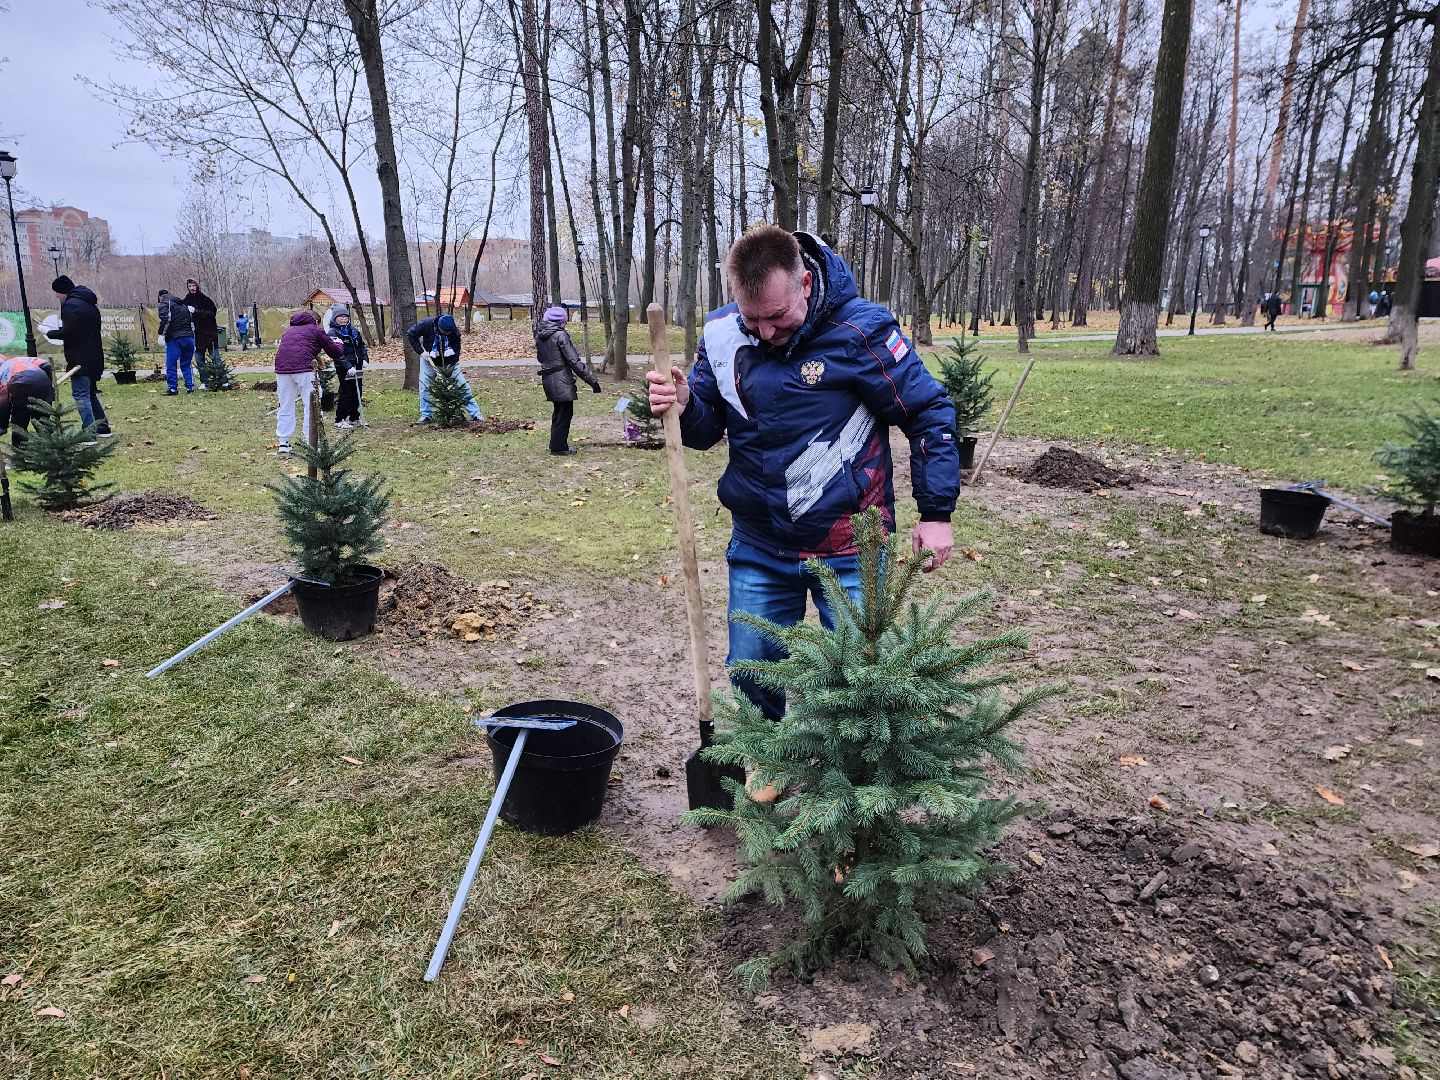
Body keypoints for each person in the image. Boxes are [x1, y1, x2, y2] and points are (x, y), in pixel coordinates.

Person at [646, 225, 959, 763]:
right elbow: (702, 430)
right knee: (752, 671)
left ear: (806, 283)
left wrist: (936, 513)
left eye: (776, 317)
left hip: (851, 547)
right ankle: (767, 772)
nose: (764, 333)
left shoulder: (862, 332)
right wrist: (681, 403)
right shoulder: (722, 333)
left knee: (862, 681)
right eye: (753, 319)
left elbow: (928, 412)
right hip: (760, 544)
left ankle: (857, 794)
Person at [47, 275, 111, 437]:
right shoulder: (89, 304)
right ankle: (103, 428)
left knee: (81, 395)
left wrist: (50, 333)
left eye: (57, 293)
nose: (56, 296)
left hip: (79, 359)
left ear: (63, 291)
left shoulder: (70, 306)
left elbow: (69, 333)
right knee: (90, 394)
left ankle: (89, 433)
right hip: (94, 356)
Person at [274, 311, 342, 454]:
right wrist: (338, 343)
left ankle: (283, 442)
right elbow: (335, 352)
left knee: (285, 404)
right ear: (316, 321)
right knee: (312, 404)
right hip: (304, 370)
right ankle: (311, 441)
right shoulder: (316, 330)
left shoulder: (288, 331)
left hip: (281, 370)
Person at [536, 305, 600, 455]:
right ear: (560, 322)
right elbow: (574, 361)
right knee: (565, 413)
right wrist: (592, 381)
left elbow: (541, 358)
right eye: (564, 321)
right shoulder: (560, 335)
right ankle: (559, 448)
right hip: (561, 380)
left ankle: (556, 444)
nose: (566, 324)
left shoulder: (540, 335)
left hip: (548, 379)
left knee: (558, 411)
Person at [405, 313, 483, 424]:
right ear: (439, 327)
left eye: (449, 332)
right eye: (445, 332)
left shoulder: (454, 332)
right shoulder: (426, 324)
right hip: (429, 359)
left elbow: (456, 351)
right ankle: (426, 415)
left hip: (449, 362)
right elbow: (411, 334)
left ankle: (475, 414)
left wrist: (449, 368)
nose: (447, 334)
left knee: (462, 385)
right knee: (424, 386)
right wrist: (421, 352)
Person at [0, 355, 55, 446]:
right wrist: (50, 388)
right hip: (42, 379)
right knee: (42, 417)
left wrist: (2, 426)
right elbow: (46, 365)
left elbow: (3, 402)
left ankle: (19, 455)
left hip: (21, 382)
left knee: (20, 419)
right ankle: (49, 451)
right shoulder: (20, 359)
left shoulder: (2, 372)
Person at [328, 305, 368, 429]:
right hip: (344, 367)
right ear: (335, 318)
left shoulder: (354, 330)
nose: (343, 319)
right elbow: (336, 353)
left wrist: (365, 359)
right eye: (341, 316)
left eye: (345, 316)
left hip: (357, 365)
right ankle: (340, 419)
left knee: (357, 392)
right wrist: (348, 366)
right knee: (346, 392)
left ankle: (354, 417)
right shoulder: (333, 332)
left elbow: (361, 346)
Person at [157, 289, 197, 394]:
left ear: (161, 297)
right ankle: (190, 387)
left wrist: (161, 334)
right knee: (186, 364)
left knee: (171, 364)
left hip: (175, 338)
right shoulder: (183, 305)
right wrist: (193, 339)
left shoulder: (165, 304)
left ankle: (172, 388)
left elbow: (166, 320)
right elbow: (192, 323)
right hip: (189, 338)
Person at [186, 279, 221, 371]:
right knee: (199, 359)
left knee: (215, 357)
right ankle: (204, 381)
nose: (192, 288)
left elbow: (211, 313)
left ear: (197, 286)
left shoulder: (206, 300)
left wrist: (196, 312)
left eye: (193, 286)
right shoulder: (186, 300)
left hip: (209, 333)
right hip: (196, 335)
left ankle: (222, 380)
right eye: (189, 286)